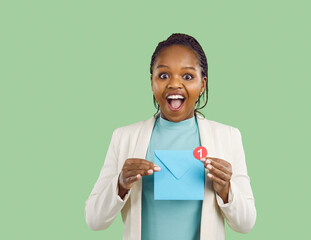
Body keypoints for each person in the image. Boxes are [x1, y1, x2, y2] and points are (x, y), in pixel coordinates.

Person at [85, 33, 256, 240]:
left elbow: (245, 224)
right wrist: (120, 184)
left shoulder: (228, 137)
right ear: (152, 82)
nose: (174, 84)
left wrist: (226, 189)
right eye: (164, 75)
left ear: (202, 85)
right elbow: (94, 220)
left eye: (187, 76)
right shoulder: (124, 137)